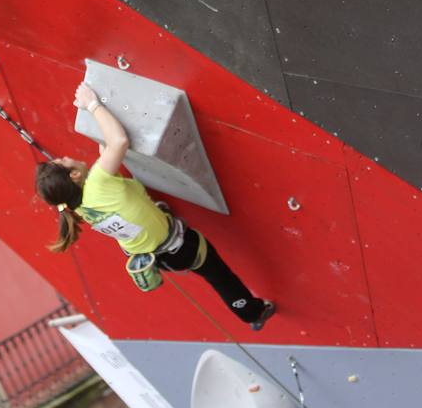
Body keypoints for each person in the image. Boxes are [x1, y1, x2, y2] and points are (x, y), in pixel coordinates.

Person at [35, 82, 276, 330]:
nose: (64, 156)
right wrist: (92, 104)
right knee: (219, 275)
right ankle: (252, 313)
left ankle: (251, 313)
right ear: (74, 176)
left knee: (208, 268)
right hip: (179, 247)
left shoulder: (79, 206)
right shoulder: (97, 182)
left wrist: (94, 114)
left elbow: (106, 148)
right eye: (63, 161)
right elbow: (117, 142)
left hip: (157, 256)